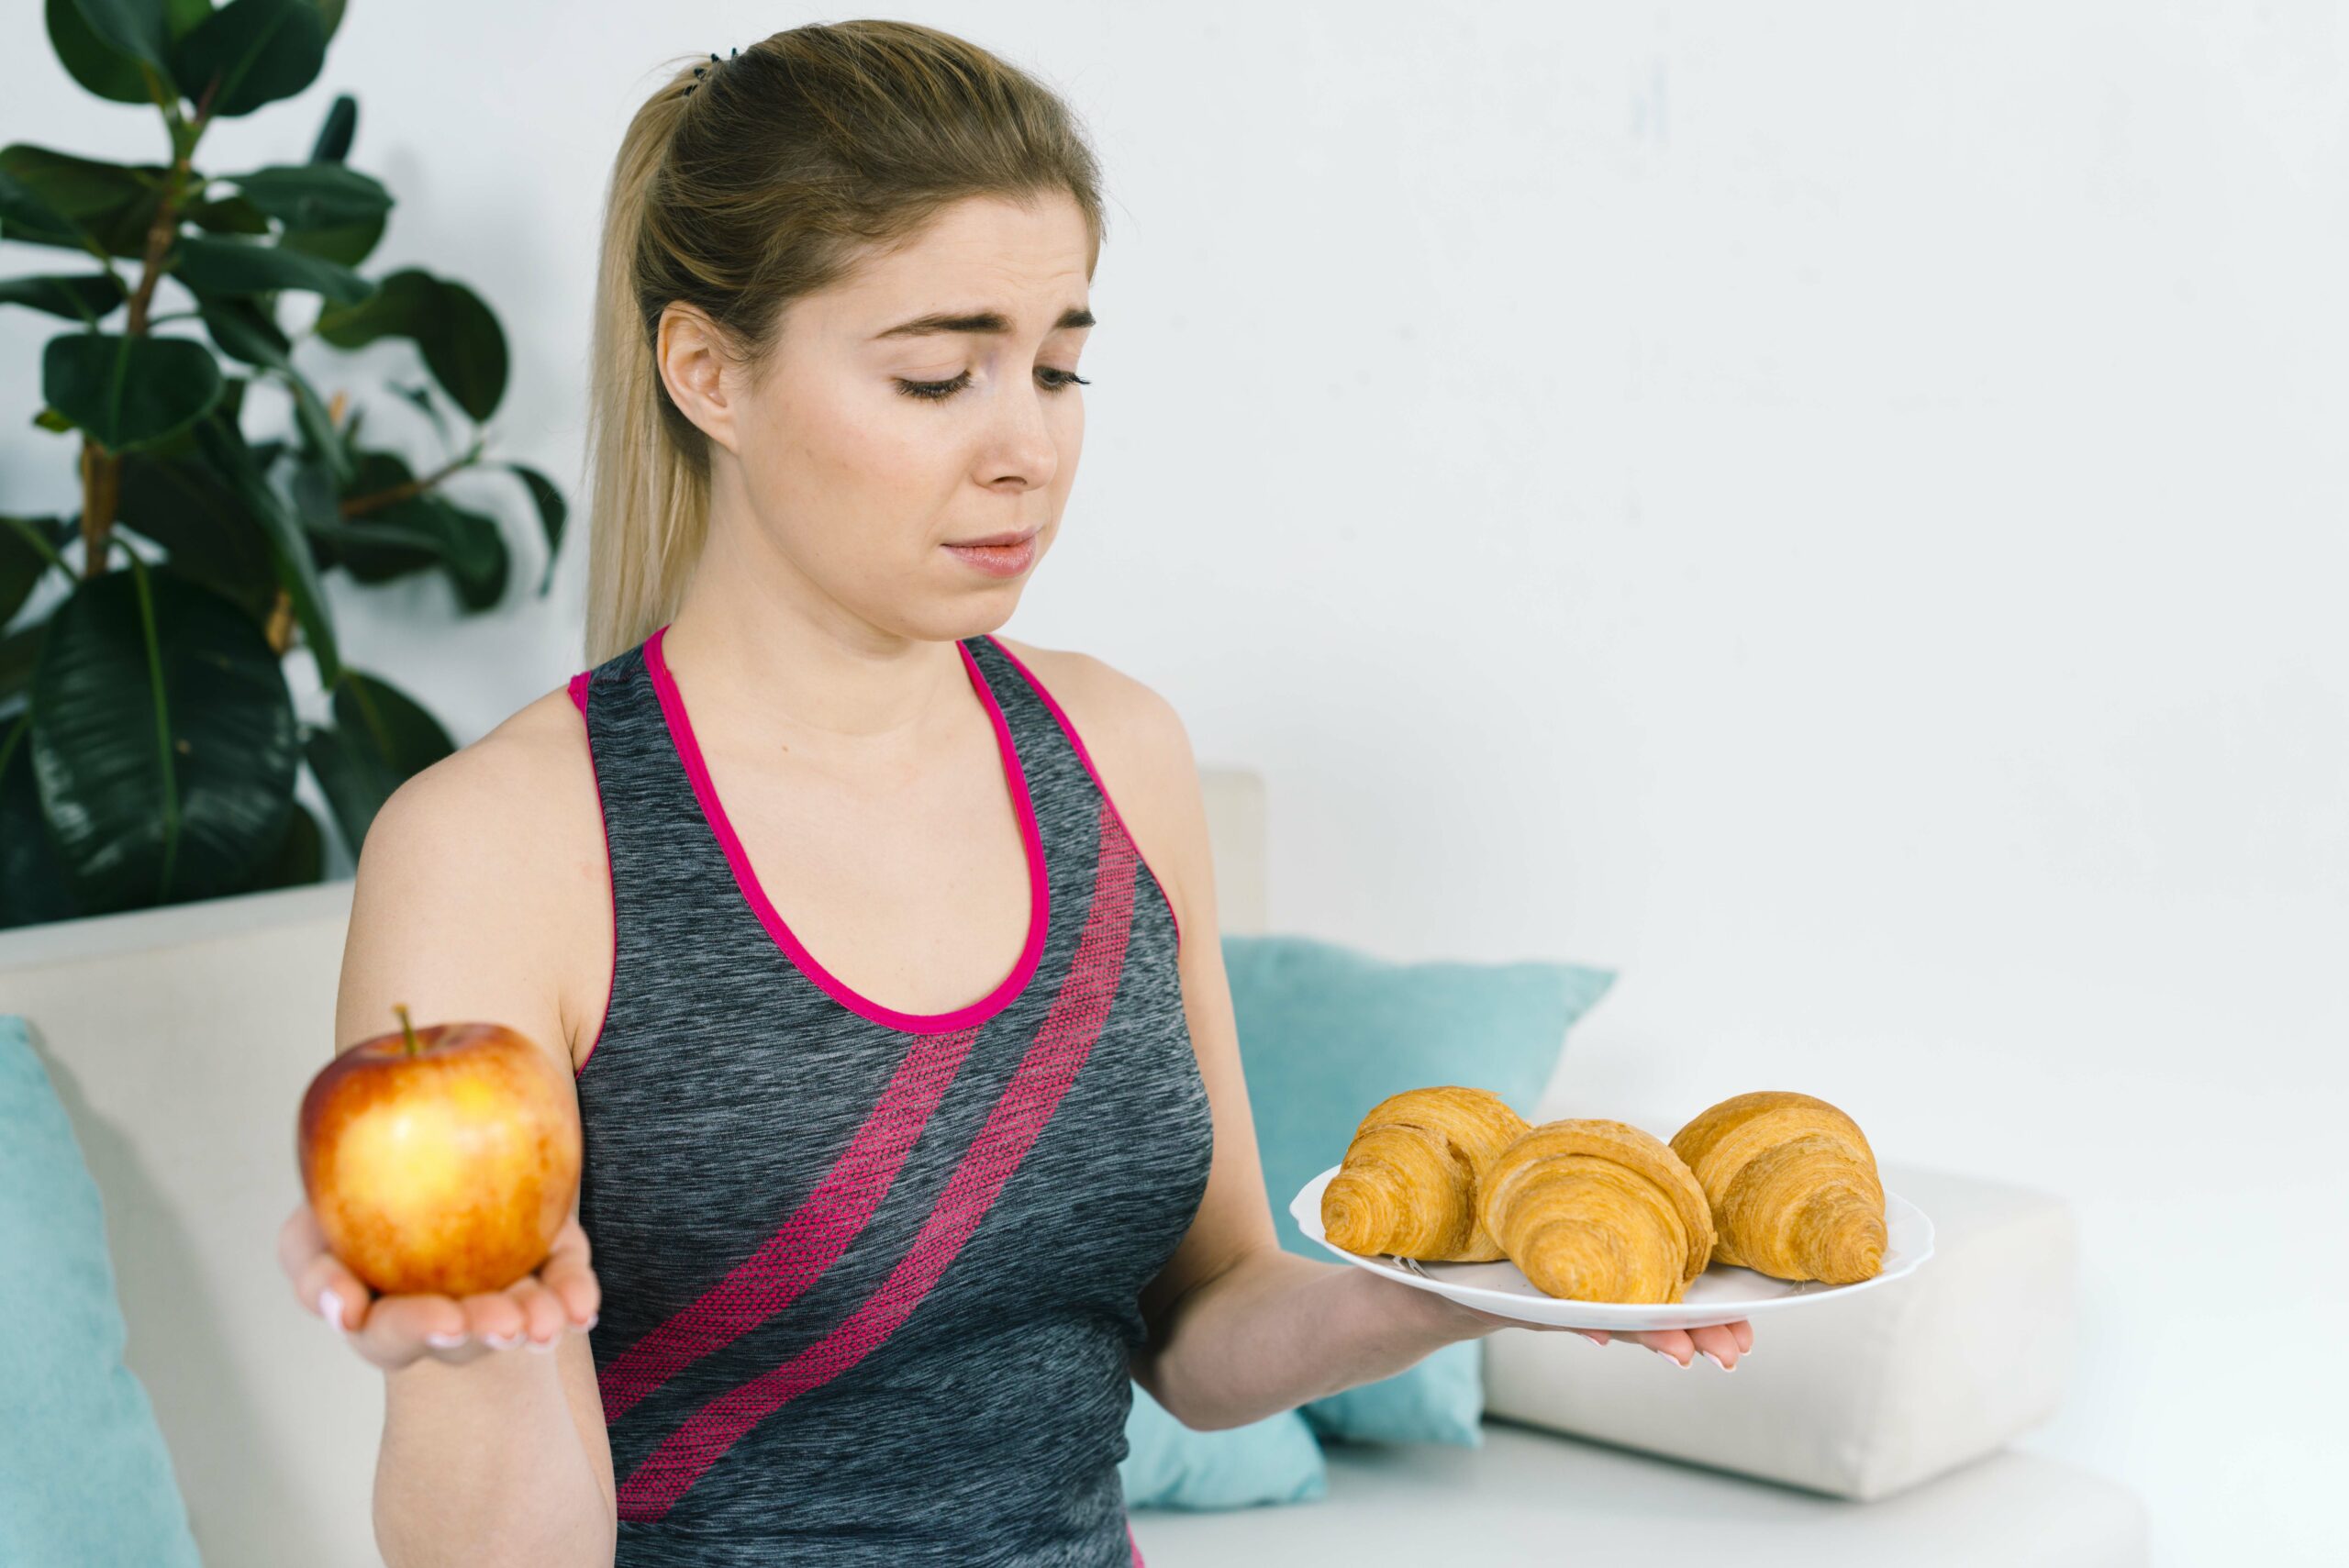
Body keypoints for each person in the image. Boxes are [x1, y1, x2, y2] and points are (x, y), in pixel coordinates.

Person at [276, 19, 1752, 1566]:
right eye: (936, 377)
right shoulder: (504, 845)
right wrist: (474, 1356)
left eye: (1059, 365)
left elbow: (1200, 1321)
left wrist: (1449, 1286)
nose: (1030, 447)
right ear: (707, 372)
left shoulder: (1116, 753)